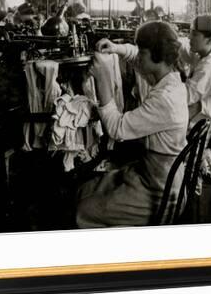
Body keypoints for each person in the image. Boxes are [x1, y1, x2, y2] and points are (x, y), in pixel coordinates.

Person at [76, 21, 189, 228]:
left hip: (158, 192)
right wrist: (116, 48)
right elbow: (136, 57)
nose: (138, 57)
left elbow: (116, 129)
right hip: (154, 176)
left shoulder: (165, 98)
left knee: (83, 211)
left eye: (142, 53)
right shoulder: (170, 79)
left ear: (155, 56)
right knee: (86, 190)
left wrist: (102, 78)